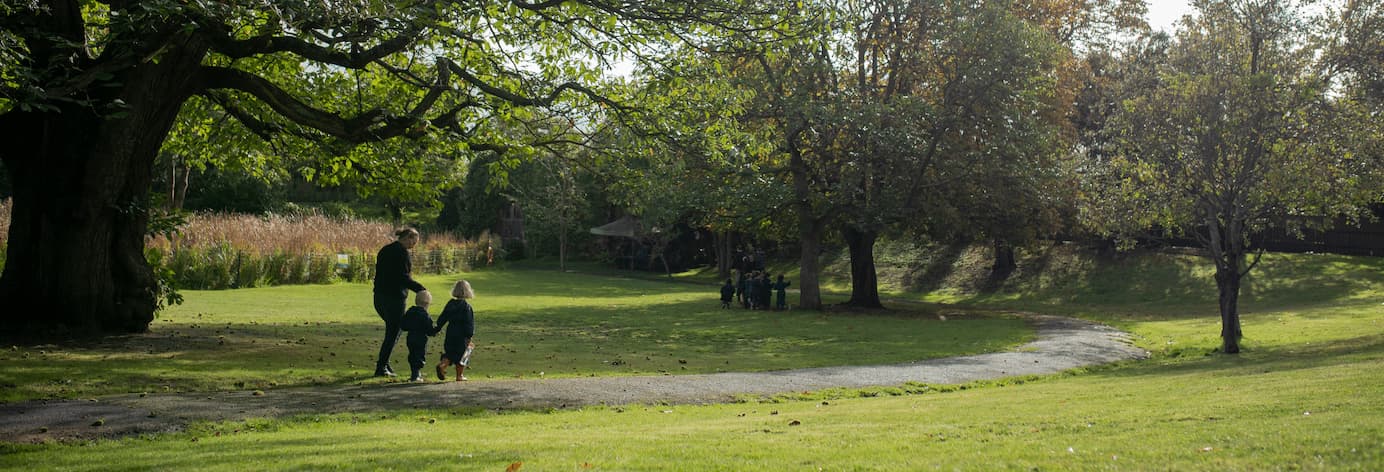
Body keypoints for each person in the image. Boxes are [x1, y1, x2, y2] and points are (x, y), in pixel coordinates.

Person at [373, 227, 429, 377]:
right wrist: (420, 289)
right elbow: (402, 277)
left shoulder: (385, 250)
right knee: (393, 332)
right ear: (408, 238)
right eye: (414, 242)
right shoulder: (402, 253)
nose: (414, 246)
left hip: (379, 297)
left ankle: (384, 362)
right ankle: (381, 367)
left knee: (395, 330)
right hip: (394, 298)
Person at [434, 280, 476, 381]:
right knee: (464, 355)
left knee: (450, 353)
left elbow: (442, 317)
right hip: (462, 335)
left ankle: (442, 365)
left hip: (451, 333)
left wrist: (438, 328)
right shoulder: (467, 307)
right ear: (468, 291)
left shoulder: (450, 304)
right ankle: (459, 375)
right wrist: (469, 336)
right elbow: (469, 324)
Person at [400, 290, 436, 382]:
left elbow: (403, 325)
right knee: (419, 355)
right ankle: (416, 374)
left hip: (411, 337)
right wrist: (434, 331)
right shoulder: (425, 316)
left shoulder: (410, 312)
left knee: (412, 354)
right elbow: (429, 330)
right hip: (421, 339)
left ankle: (415, 373)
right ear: (427, 304)